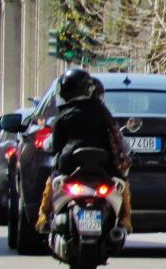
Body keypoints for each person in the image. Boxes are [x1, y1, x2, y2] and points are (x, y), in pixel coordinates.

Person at [37, 69, 133, 232]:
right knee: (122, 184)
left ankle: (44, 217)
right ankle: (125, 220)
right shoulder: (102, 112)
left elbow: (54, 145)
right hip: (104, 166)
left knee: (52, 181)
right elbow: (116, 137)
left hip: (69, 164)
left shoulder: (64, 114)